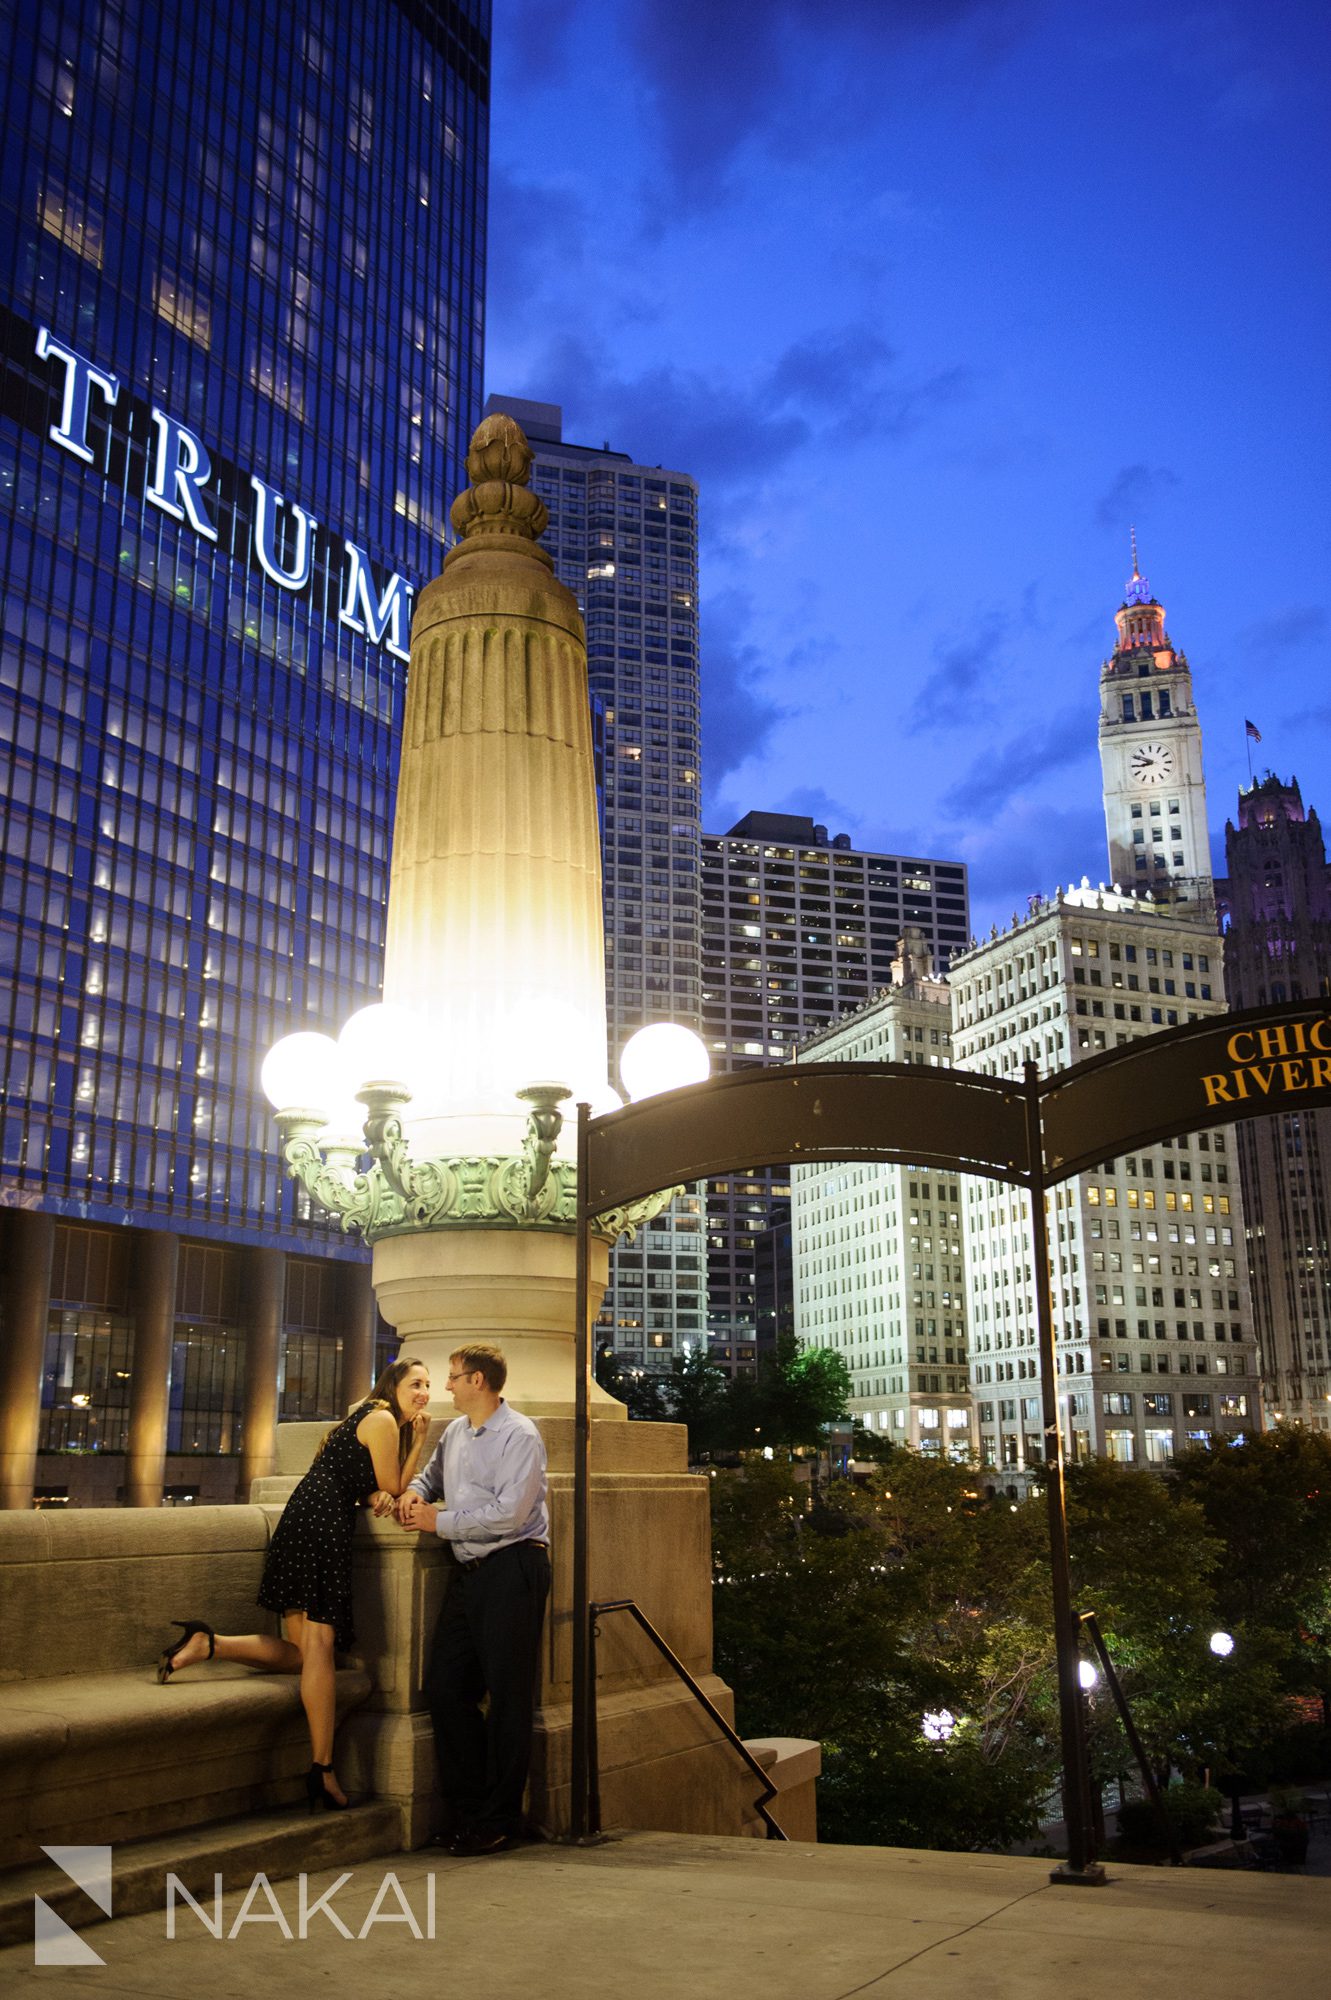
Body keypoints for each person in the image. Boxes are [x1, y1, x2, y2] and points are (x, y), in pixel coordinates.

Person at [155, 1355, 432, 1810]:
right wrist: (418, 1441)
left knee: (306, 1656)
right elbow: (395, 1487)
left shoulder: (362, 1415)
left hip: (304, 1517)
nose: (423, 1394)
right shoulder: (383, 1418)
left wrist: (370, 1491)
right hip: (322, 1525)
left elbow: (353, 1476)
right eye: (415, 1384)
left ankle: (210, 1644)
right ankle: (322, 1768)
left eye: (427, 1385)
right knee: (321, 1651)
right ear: (393, 1386)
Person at [398, 1342, 550, 1856]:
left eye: (454, 1376)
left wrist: (436, 1521)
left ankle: (501, 1818)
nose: (447, 1385)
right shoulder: (457, 1433)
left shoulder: (520, 1436)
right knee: (445, 1687)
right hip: (469, 1570)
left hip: (513, 1568)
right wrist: (415, 1493)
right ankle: (468, 1810)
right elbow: (432, 1476)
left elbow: (510, 1514)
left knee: (509, 1698)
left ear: (479, 1381)